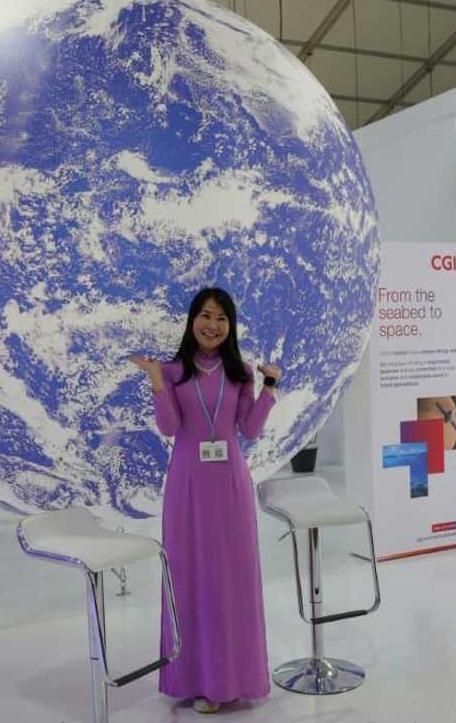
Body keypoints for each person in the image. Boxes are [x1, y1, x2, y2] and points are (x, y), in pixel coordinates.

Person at [129, 287, 281, 715]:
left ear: (230, 327)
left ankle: (227, 682)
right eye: (205, 315)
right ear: (192, 319)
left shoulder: (241, 374)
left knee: (230, 582)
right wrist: (157, 382)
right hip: (187, 487)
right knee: (190, 578)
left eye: (221, 318)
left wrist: (269, 388)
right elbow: (169, 427)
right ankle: (193, 679)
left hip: (230, 488)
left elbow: (249, 429)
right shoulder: (174, 370)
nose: (212, 325)